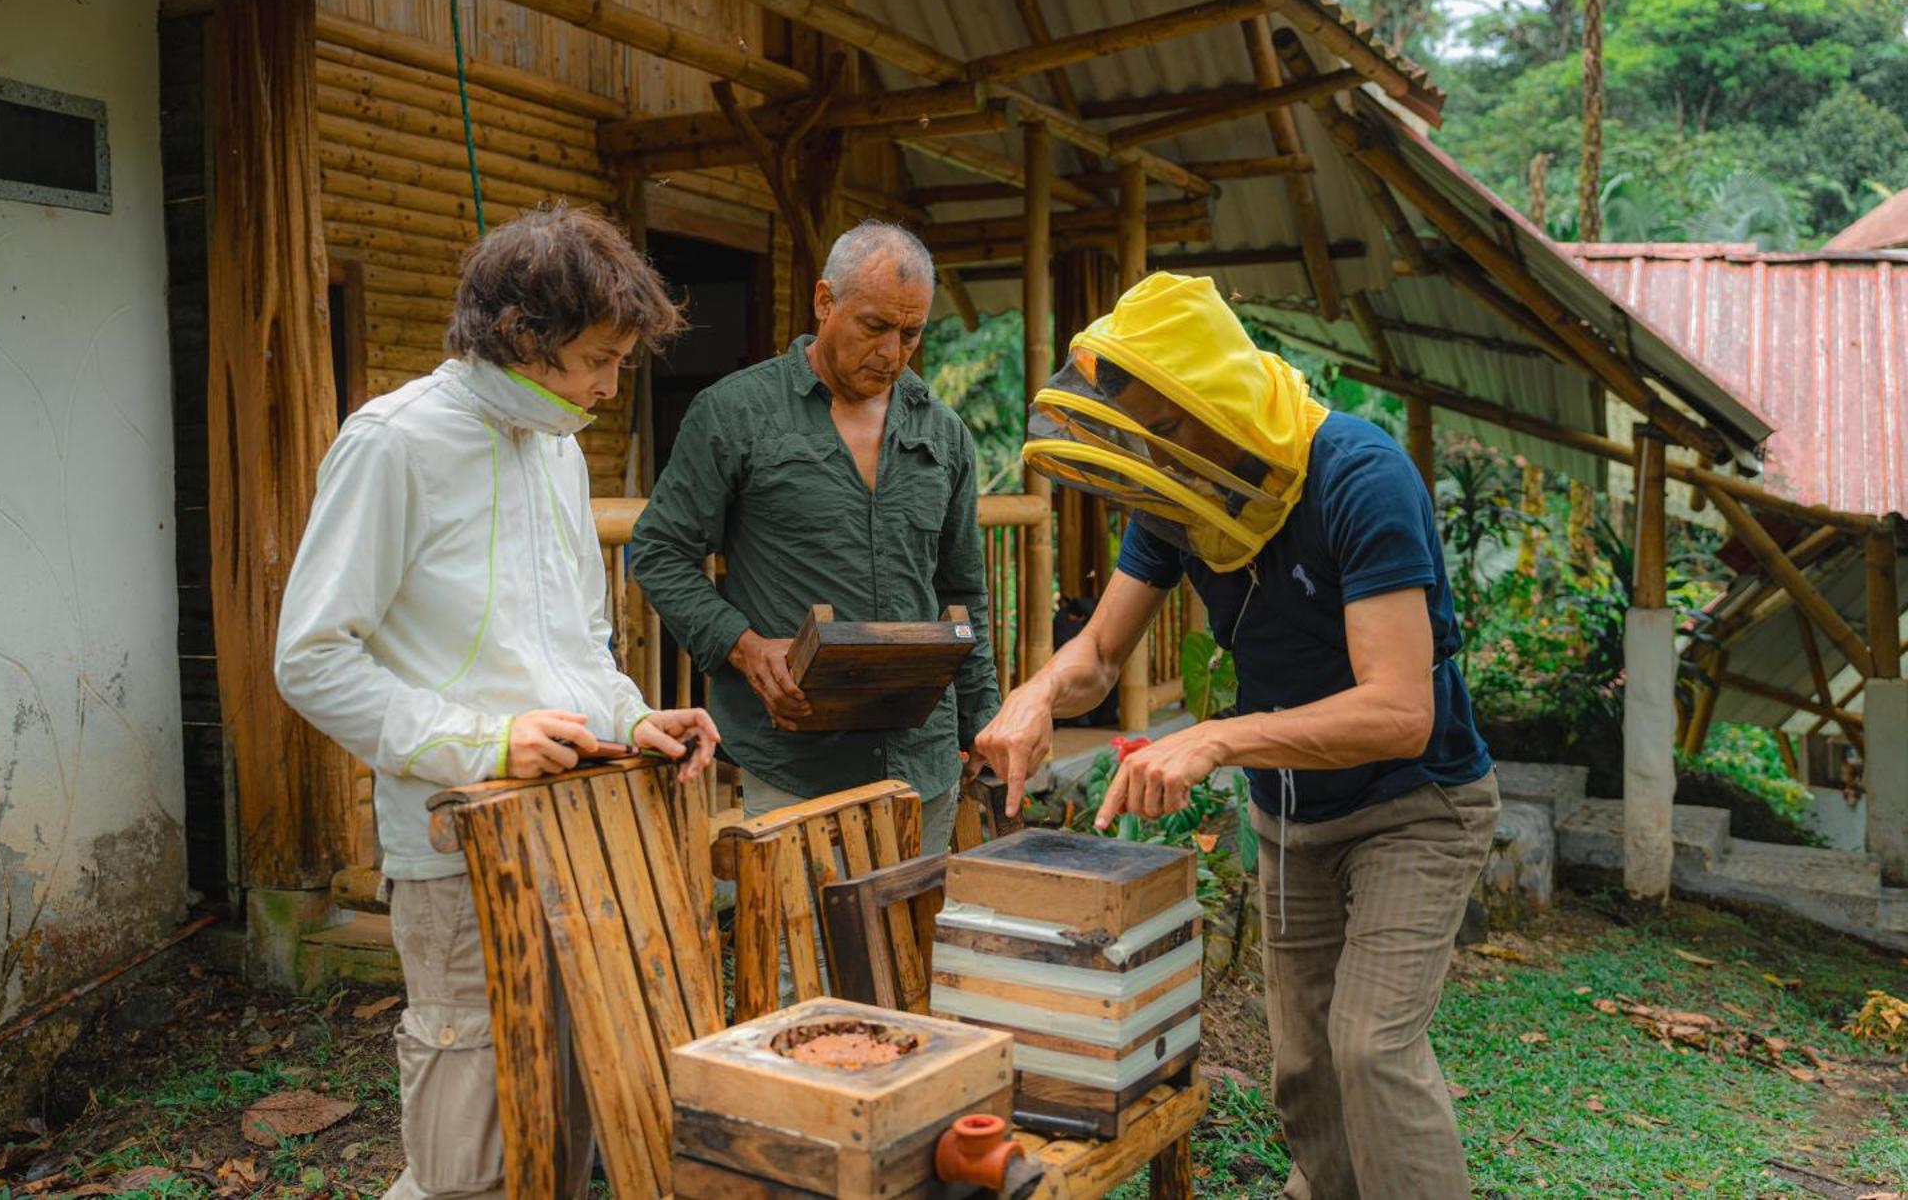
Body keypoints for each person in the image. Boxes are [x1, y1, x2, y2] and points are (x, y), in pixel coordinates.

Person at [975, 271, 1498, 1200]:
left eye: (1167, 427)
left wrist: (1217, 736)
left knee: (1370, 1047)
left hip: (1417, 804)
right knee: (1303, 1063)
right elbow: (1100, 649)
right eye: (1141, 431)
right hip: (1294, 813)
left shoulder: (1359, 476)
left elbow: (1398, 708)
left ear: (1216, 394)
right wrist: (1038, 692)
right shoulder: (1179, 496)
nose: (1155, 450)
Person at [275, 204, 721, 1200]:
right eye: (600, 359)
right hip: (456, 839)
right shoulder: (391, 442)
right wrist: (484, 741)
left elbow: (574, 651)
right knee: (468, 1123)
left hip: (577, 824)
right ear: (525, 336)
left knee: (561, 1095)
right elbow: (308, 658)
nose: (612, 386)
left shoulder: (554, 448)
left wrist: (633, 720)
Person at [629, 220, 998, 856]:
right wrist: (744, 648)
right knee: (803, 954)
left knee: (911, 944)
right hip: (797, 759)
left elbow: (963, 589)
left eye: (911, 333)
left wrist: (984, 724)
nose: (892, 352)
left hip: (922, 760)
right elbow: (661, 553)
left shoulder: (944, 434)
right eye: (875, 326)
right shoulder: (736, 413)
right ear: (825, 302)